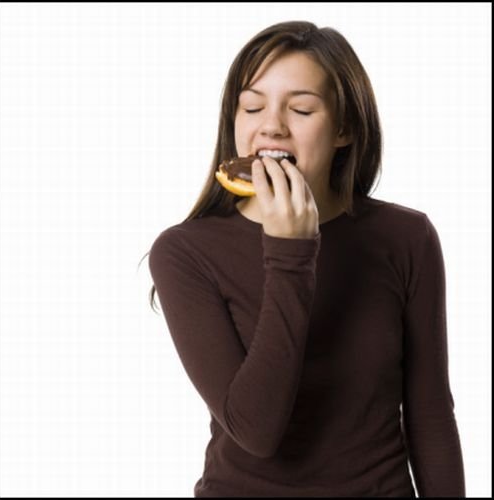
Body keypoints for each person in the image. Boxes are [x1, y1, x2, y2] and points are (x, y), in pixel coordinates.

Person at [146, 21, 466, 497]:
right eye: (252, 106)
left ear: (343, 128)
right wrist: (290, 253)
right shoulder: (185, 252)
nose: (271, 124)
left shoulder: (405, 237)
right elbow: (255, 431)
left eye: (300, 108)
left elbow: (430, 412)